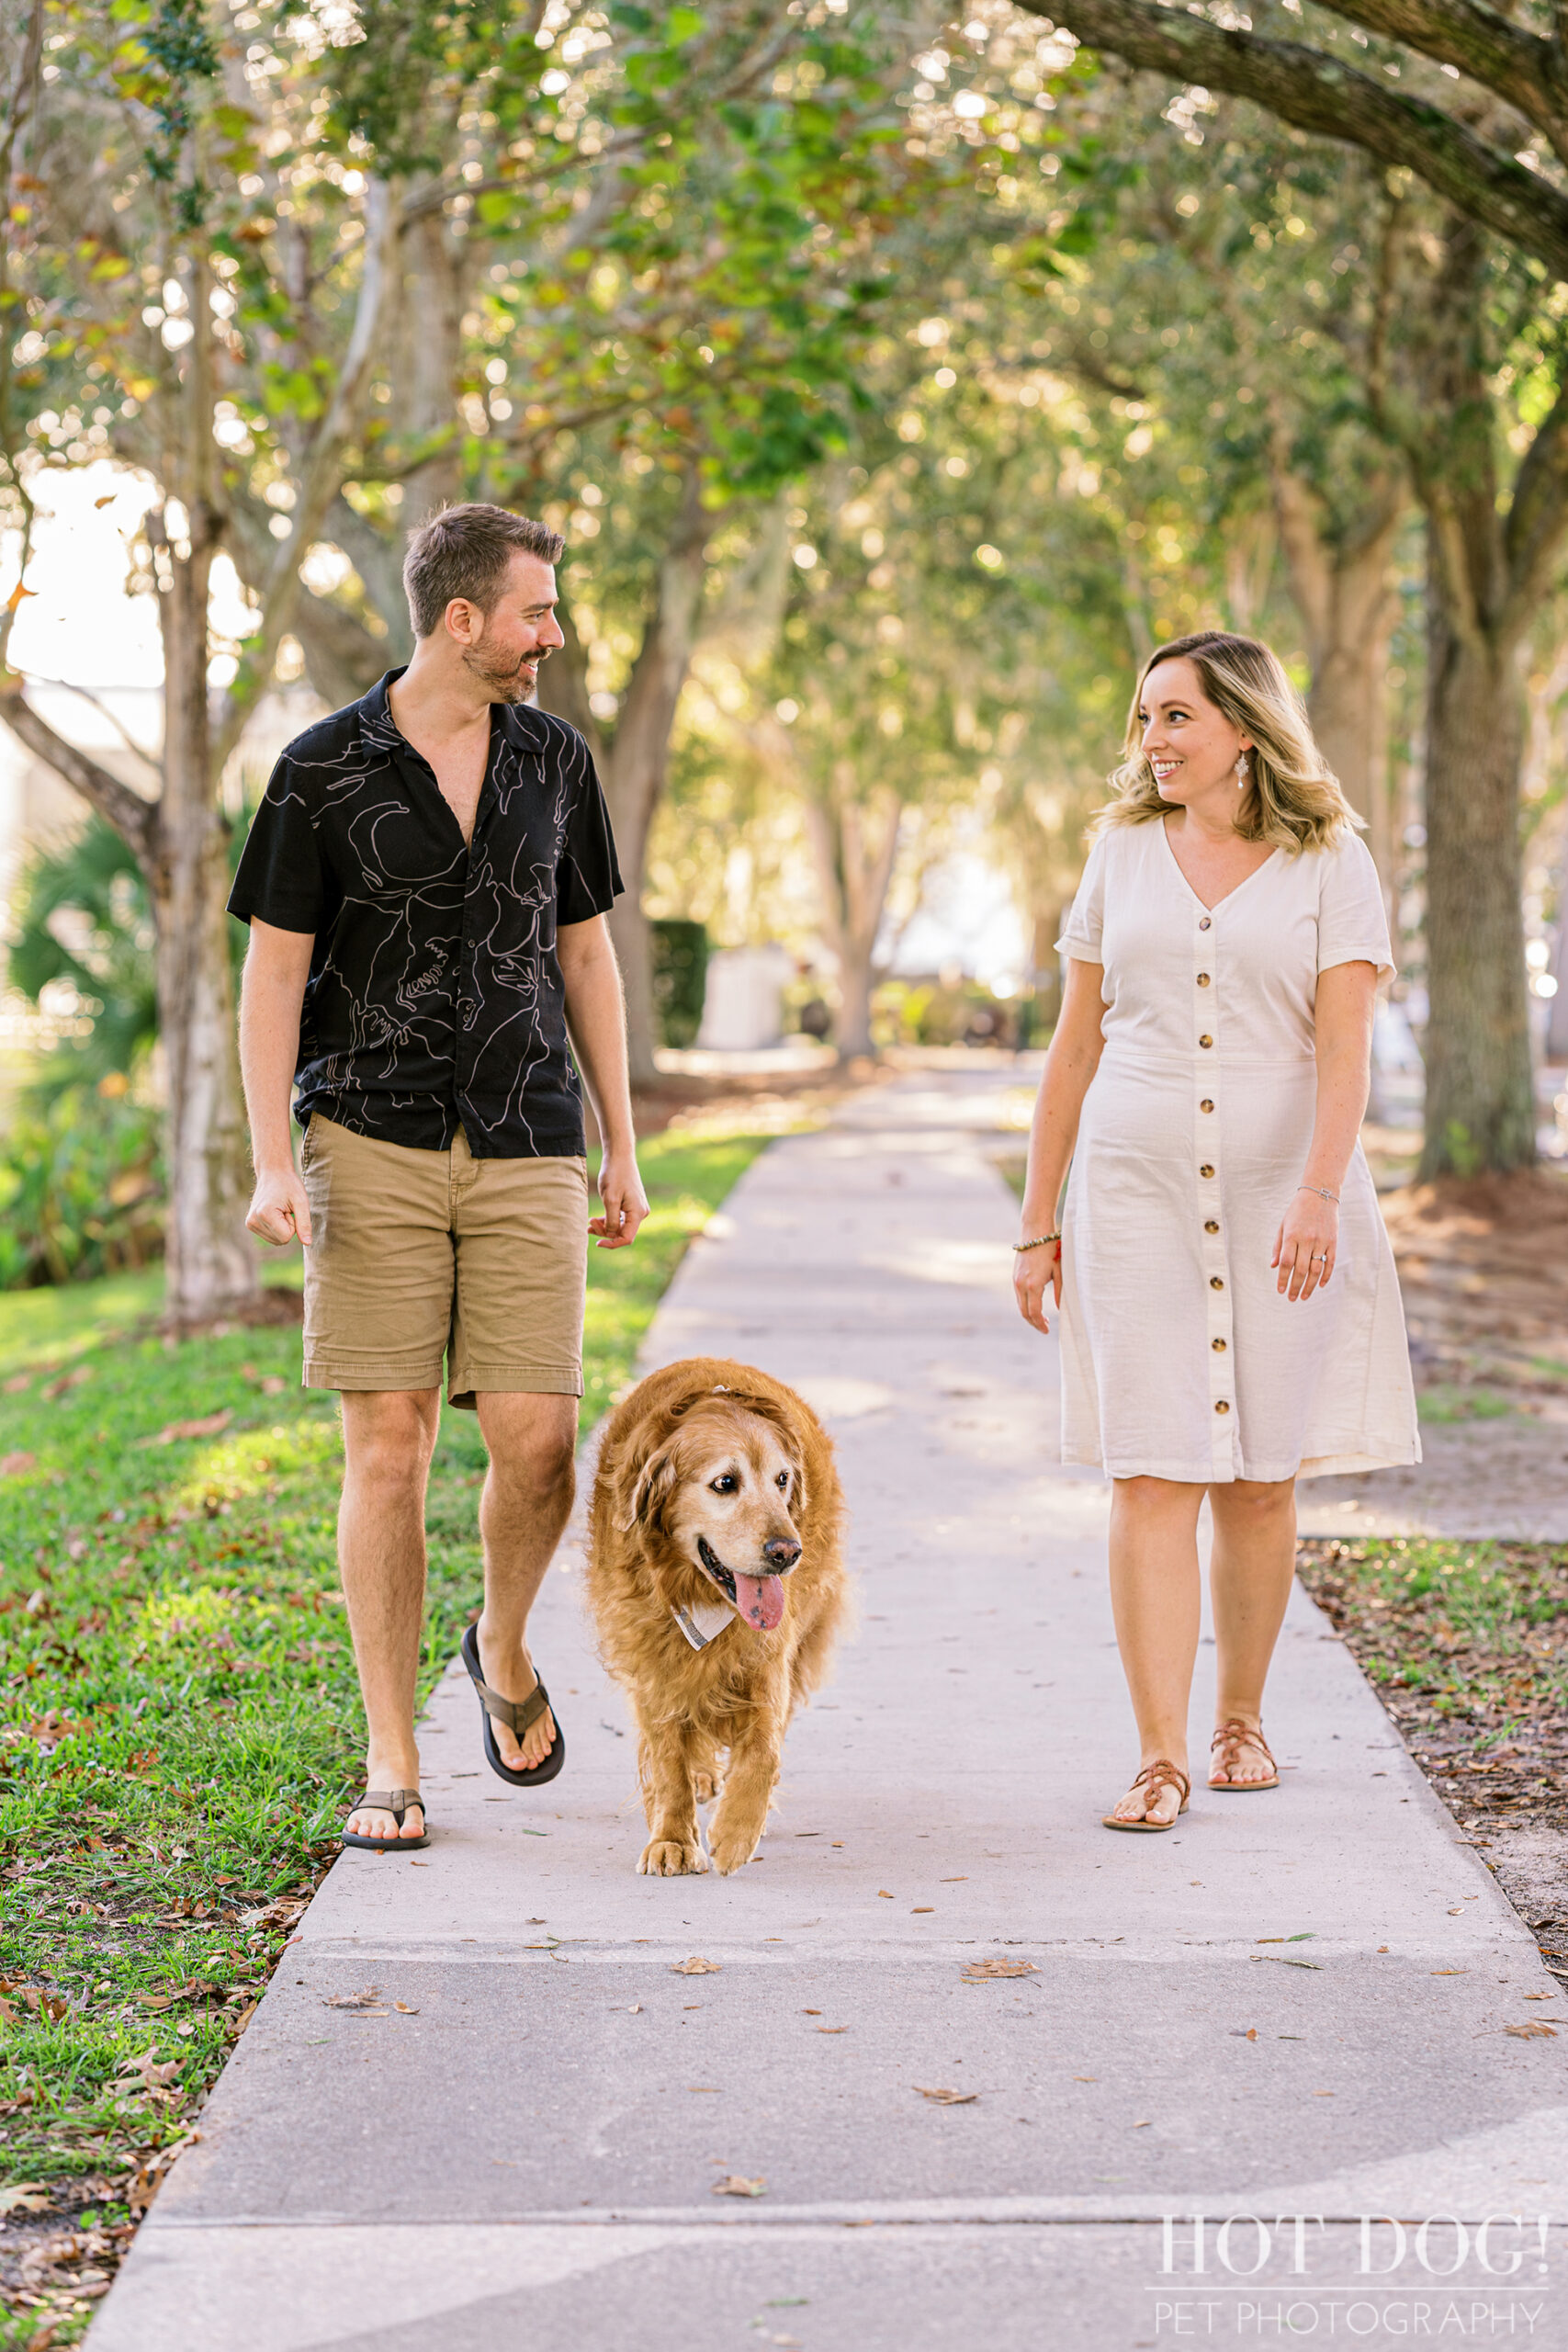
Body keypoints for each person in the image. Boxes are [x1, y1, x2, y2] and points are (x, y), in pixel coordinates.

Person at [230, 502, 648, 1850]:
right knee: (390, 1445)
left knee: (535, 1443)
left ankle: (502, 1644)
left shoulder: (555, 760)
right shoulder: (320, 770)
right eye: (538, 611)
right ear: (462, 620)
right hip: (367, 1134)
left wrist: (624, 1144)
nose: (553, 635)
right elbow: (272, 976)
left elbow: (585, 953)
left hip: (531, 1132)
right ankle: (392, 1760)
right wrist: (267, 1161)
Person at [1012, 631, 1418, 1831]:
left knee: (1256, 1478)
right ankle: (1159, 1755)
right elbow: (1076, 1043)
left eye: (1175, 717)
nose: (1152, 742)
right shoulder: (1120, 850)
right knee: (1149, 1471)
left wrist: (1317, 1191)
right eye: (1144, 720)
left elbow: (1343, 1046)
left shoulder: (1329, 858)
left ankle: (1241, 1719)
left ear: (1244, 725)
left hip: (1283, 1196)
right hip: (1133, 1199)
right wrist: (1039, 1223)